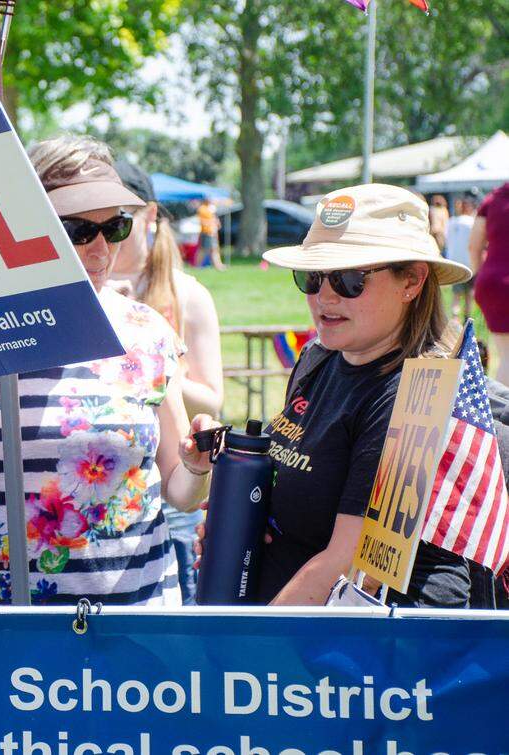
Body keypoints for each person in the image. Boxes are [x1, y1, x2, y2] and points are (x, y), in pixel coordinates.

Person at [0, 134, 216, 607]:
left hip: (137, 619)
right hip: (5, 625)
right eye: (77, 230)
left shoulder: (148, 332)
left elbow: (178, 487)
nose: (100, 250)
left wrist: (196, 466)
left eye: (114, 227)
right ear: (29, 226)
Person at [210, 184, 475, 607]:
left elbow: (350, 565)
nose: (324, 296)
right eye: (312, 278)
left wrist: (240, 648)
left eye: (350, 280)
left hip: (365, 657)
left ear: (411, 281)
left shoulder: (412, 394)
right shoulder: (318, 357)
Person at [108, 164, 223, 604]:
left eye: (120, 220)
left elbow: (213, 395)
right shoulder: (84, 294)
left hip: (174, 485)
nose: (107, 236)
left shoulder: (186, 293)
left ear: (150, 216)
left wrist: (150, 356)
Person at [471, 182, 509, 384]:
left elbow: (473, 246)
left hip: (492, 283)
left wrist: (478, 277)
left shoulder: (492, 199)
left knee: (506, 354)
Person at [445, 193, 478, 319]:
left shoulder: (451, 222)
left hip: (455, 262)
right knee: (469, 294)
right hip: (469, 262)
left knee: (456, 294)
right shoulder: (472, 222)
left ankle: (455, 320)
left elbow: (447, 242)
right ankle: (467, 319)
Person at [196, 199, 225, 271]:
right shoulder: (202, 209)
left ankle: (218, 265)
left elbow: (214, 219)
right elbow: (202, 221)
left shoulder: (210, 209)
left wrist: (216, 223)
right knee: (203, 250)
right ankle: (198, 265)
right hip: (207, 232)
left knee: (214, 249)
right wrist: (211, 224)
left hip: (212, 232)